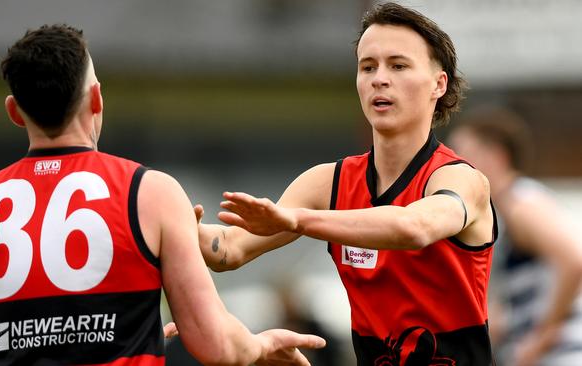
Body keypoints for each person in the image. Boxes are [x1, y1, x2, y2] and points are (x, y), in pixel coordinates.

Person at [0, 24, 325, 366]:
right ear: (96, 100)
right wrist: (261, 346)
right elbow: (217, 345)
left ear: (14, 112)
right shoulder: (150, 192)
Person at [189, 3, 497, 365]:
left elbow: (414, 226)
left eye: (398, 66)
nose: (379, 78)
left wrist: (298, 221)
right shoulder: (328, 184)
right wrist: (160, 221)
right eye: (368, 67)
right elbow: (228, 250)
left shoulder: (461, 179)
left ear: (438, 85)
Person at [449, 106, 582, 366]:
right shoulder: (507, 210)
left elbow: (574, 260)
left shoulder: (520, 204)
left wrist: (540, 337)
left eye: (463, 153)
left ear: (496, 156)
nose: (454, 165)